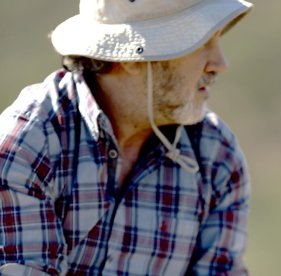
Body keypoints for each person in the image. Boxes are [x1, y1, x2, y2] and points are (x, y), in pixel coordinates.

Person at [0, 0, 253, 275]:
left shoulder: (217, 156)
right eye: (202, 41)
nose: (220, 64)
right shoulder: (29, 144)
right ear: (133, 58)